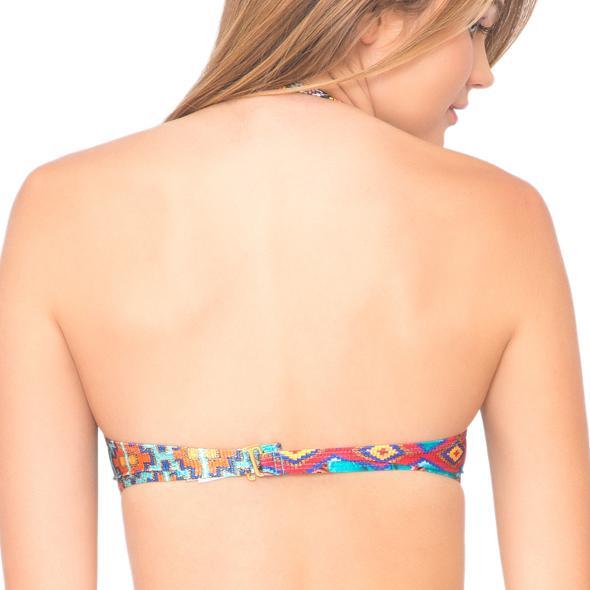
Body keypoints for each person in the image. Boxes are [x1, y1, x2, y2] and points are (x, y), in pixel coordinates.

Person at [1, 0, 589, 588]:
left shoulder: (61, 206)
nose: (483, 73)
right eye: (475, 29)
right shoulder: (502, 216)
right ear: (375, 19)